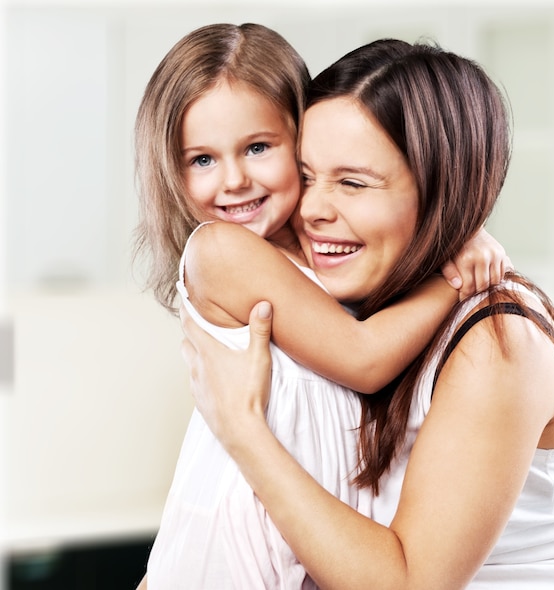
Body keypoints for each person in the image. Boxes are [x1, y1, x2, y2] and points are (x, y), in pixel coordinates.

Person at [181, 39, 554, 589]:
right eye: (307, 176)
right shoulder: (362, 317)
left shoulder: (497, 345)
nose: (312, 210)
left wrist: (242, 429)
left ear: (440, 191)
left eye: (354, 183)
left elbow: (407, 584)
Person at [133, 25, 510, 589]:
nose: (234, 180)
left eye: (258, 148)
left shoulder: (330, 265)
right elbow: (362, 357)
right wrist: (455, 277)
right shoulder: (220, 252)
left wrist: (452, 231)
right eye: (202, 159)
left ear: (301, 136)